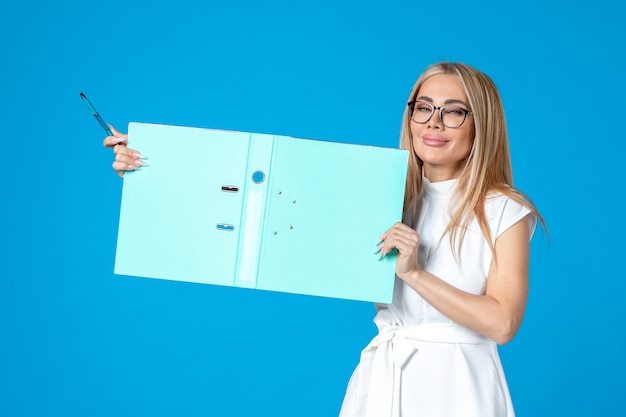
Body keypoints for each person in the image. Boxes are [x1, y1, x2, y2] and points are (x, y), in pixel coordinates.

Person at [103, 62, 544, 417]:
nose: (434, 122)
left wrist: (414, 273)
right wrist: (153, 166)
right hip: (381, 383)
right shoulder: (384, 194)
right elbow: (260, 199)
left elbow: (503, 323)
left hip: (459, 388)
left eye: (453, 111)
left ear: (479, 124)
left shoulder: (502, 208)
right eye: (422, 107)